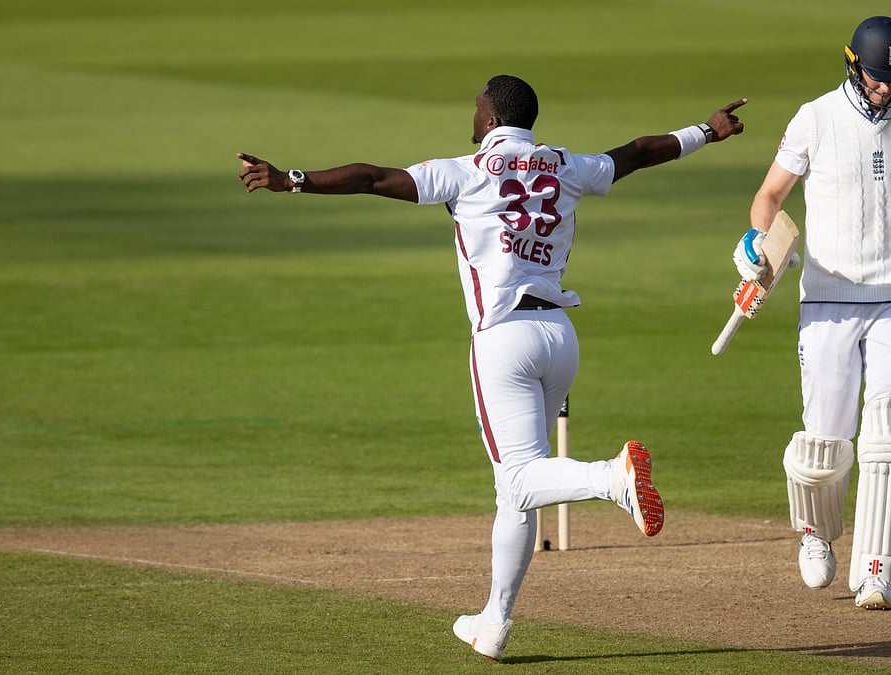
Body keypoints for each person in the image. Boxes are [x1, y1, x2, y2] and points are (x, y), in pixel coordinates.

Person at [239, 74, 747, 660]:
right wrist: (706, 131)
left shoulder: (467, 170)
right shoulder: (564, 165)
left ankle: (612, 478)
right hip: (560, 336)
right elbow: (635, 153)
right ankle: (495, 623)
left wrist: (291, 180)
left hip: (503, 339)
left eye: (475, 107)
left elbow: (372, 177)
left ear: (487, 118)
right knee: (518, 496)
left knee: (518, 478)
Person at [732, 17, 891, 610]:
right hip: (827, 300)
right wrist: (754, 246)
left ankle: (878, 570)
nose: (890, 90)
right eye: (880, 77)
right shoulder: (814, 117)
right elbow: (770, 196)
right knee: (826, 436)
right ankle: (817, 534)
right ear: (853, 65)